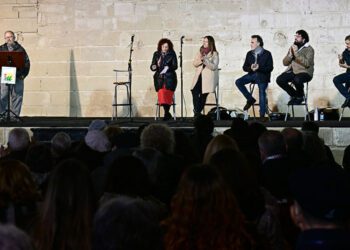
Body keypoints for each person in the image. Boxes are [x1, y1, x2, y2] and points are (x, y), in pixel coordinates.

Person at [235, 35, 273, 118]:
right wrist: (250, 68)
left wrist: (259, 67)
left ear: (258, 43)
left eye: (252, 42)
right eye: (251, 42)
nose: (250, 44)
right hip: (252, 75)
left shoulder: (267, 54)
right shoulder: (249, 53)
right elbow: (244, 67)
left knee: (262, 92)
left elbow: (270, 68)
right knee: (238, 82)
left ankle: (262, 115)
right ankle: (250, 99)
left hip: (263, 76)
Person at [276, 30, 314, 105]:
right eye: (295, 36)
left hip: (305, 72)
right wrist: (289, 56)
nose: (296, 38)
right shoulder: (293, 47)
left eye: (298, 36)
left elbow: (307, 64)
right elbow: (285, 63)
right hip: (293, 71)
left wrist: (296, 54)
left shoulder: (309, 49)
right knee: (280, 79)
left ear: (303, 39)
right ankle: (295, 95)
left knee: (297, 79)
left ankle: (300, 96)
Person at [0, 30, 30, 118]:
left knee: (17, 96)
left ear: (14, 37)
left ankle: (15, 116)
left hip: (18, 75)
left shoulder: (20, 49)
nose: (9, 39)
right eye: (7, 37)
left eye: (10, 37)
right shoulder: (1, 49)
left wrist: (22, 75)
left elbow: (27, 63)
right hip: (6, 74)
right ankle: (2, 116)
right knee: (3, 95)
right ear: (5, 39)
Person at [191, 35, 219, 117]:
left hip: (208, 78)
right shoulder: (200, 51)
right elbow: (195, 63)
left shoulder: (215, 54)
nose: (204, 43)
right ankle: (197, 111)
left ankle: (197, 112)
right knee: (194, 91)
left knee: (203, 94)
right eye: (203, 41)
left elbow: (214, 67)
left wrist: (206, 61)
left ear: (210, 43)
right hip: (199, 76)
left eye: (206, 41)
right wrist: (201, 60)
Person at [150, 38, 178, 121]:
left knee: (168, 93)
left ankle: (166, 113)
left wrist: (168, 67)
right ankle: (167, 113)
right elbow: (152, 66)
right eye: (163, 46)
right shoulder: (156, 54)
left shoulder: (172, 54)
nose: (165, 48)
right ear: (160, 46)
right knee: (161, 93)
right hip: (159, 78)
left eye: (166, 47)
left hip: (169, 78)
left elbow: (175, 66)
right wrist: (156, 66)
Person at [333, 35, 350, 108]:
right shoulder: (345, 52)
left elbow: (347, 66)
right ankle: (349, 99)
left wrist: (348, 66)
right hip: (349, 74)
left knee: (337, 79)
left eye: (348, 43)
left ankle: (348, 99)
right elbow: (342, 64)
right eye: (346, 44)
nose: (347, 45)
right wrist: (340, 59)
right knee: (336, 80)